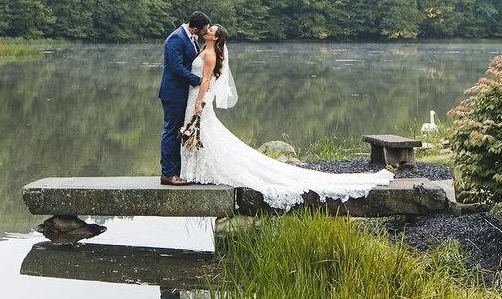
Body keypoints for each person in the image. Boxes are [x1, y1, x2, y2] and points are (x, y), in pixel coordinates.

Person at [180, 25, 393, 209]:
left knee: (205, 134)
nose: (208, 30)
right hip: (193, 97)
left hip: (199, 99)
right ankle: (196, 171)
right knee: (204, 135)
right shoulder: (203, 49)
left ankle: (198, 172)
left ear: (216, 37)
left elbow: (206, 80)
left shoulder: (209, 54)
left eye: (212, 30)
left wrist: (199, 102)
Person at [157, 11, 211, 185]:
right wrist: (199, 81)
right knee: (171, 132)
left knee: (179, 132)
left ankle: (176, 171)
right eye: (204, 30)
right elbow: (177, 68)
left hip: (183, 93)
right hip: (172, 93)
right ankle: (167, 174)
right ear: (195, 28)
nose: (206, 32)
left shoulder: (190, 38)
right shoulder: (176, 39)